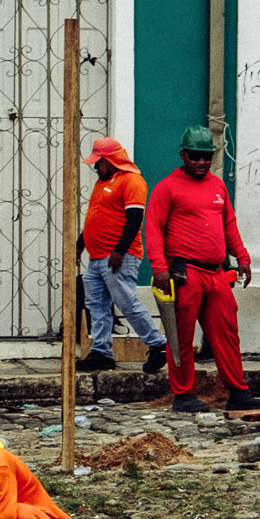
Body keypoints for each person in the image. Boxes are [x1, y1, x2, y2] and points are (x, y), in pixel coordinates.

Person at [144, 125, 255, 413]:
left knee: (227, 333)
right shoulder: (166, 187)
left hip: (216, 273)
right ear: (183, 155)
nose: (202, 162)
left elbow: (229, 224)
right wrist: (159, 267)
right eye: (196, 156)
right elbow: (153, 229)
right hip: (184, 273)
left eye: (207, 156)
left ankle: (238, 391)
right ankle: (183, 395)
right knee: (180, 335)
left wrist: (242, 257)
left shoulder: (218, 186)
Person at [76, 137, 167, 374]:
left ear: (110, 160)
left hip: (118, 257)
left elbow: (135, 219)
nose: (96, 167)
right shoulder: (102, 182)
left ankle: (157, 344)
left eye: (99, 162)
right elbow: (95, 215)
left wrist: (119, 250)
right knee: (96, 305)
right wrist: (80, 244)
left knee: (126, 301)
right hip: (97, 257)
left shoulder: (132, 181)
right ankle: (101, 352)